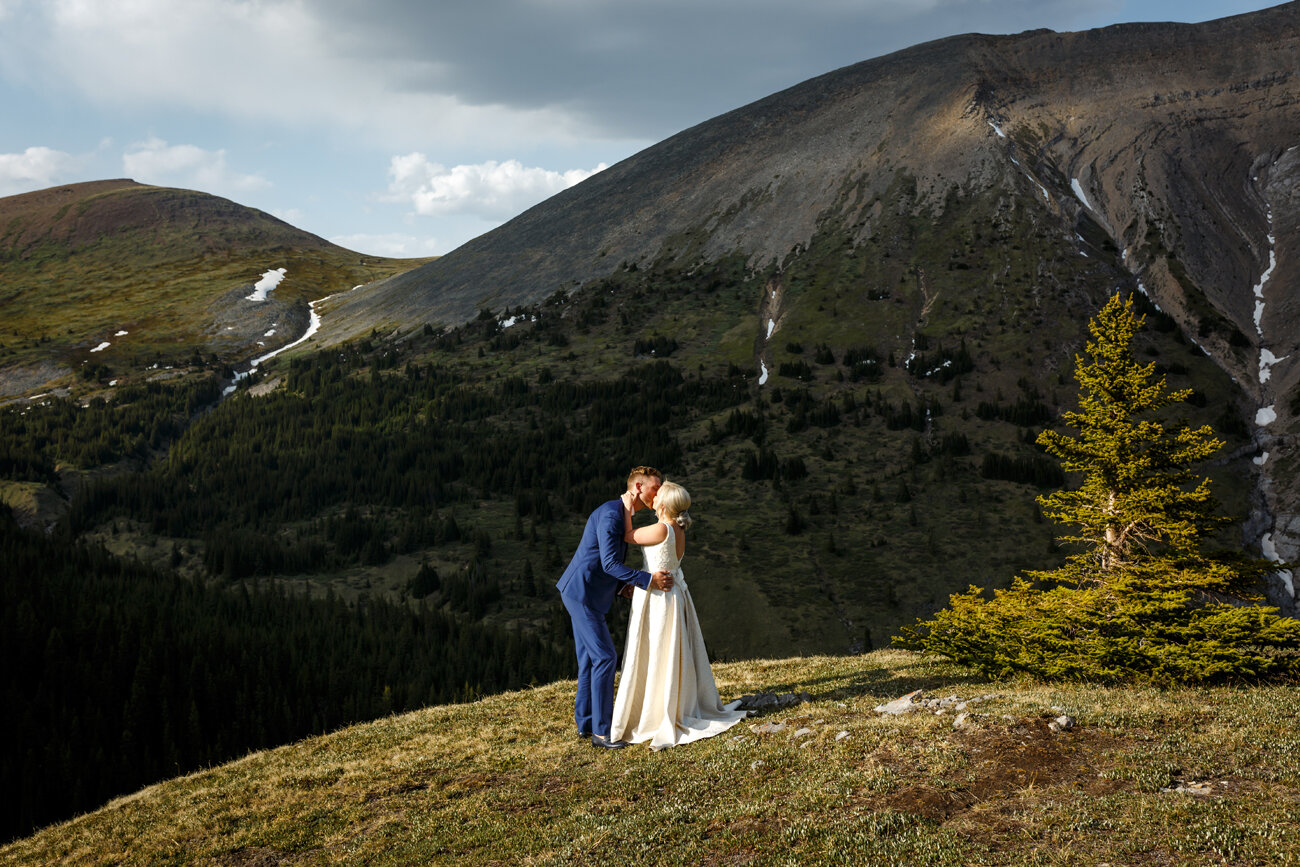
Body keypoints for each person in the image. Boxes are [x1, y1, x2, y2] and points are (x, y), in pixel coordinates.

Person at [611, 480, 747, 749]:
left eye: (658, 495)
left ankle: (655, 709)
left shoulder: (662, 528)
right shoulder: (678, 528)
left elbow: (629, 536)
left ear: (663, 504)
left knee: (658, 649)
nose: (654, 496)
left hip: (659, 597)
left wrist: (627, 508)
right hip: (673, 593)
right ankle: (669, 701)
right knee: (669, 652)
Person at [556, 466, 674, 749]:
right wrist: (648, 581)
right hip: (583, 594)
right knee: (606, 657)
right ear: (637, 488)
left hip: (586, 592)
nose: (657, 494)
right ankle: (601, 733)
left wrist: (623, 588)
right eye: (654, 488)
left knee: (589, 661)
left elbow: (602, 561)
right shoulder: (611, 515)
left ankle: (585, 725)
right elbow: (609, 563)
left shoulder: (620, 515)